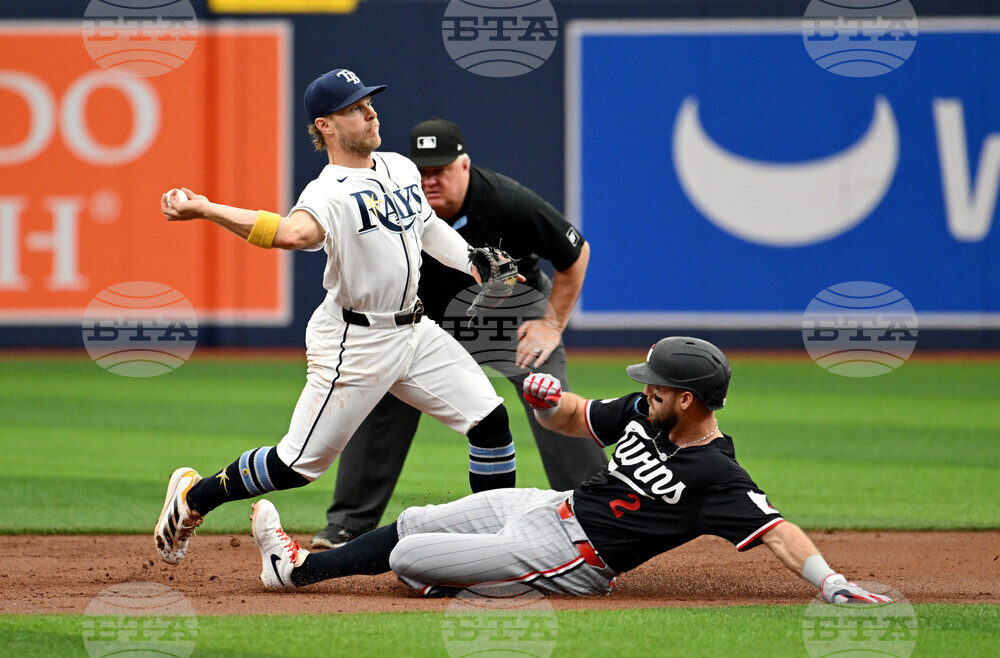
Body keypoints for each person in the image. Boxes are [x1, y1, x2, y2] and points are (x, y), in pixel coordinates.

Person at [153, 69, 524, 566]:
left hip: (415, 330)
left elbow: (428, 225)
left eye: (370, 102)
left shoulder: (397, 166)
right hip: (356, 340)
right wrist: (206, 209)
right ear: (325, 125)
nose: (370, 112)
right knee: (296, 465)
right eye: (355, 108)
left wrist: (471, 259)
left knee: (490, 422)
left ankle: (492, 546)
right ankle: (194, 498)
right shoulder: (327, 191)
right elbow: (291, 234)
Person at [249, 336, 892, 604]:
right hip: (549, 507)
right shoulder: (646, 412)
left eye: (659, 388)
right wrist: (546, 398)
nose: (646, 392)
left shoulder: (717, 476)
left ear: (688, 399)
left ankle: (485, 580)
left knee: (412, 556)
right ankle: (295, 571)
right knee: (414, 520)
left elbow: (775, 528)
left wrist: (830, 580)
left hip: (578, 560)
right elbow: (578, 417)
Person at [312, 118, 607, 549]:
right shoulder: (390, 202)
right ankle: (349, 524)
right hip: (425, 317)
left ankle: (600, 515)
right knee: (382, 396)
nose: (431, 180)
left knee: (547, 394)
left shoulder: (507, 201)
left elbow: (576, 253)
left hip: (509, 316)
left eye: (442, 169)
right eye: (424, 170)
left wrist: (550, 324)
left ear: (465, 166)